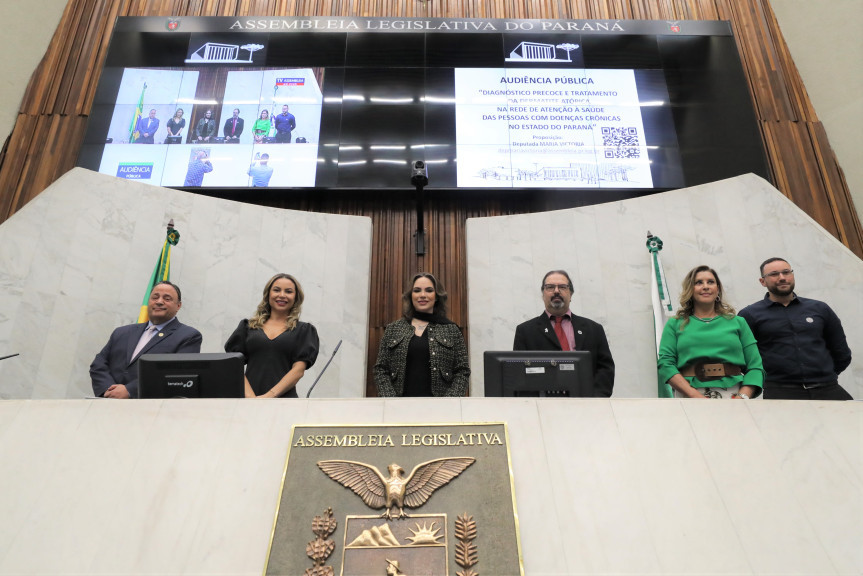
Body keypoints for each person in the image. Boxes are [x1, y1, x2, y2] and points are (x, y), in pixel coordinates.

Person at [739, 257, 853, 400]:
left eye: (786, 272)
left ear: (792, 275)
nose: (782, 278)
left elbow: (841, 352)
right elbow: (744, 358)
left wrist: (825, 375)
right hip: (781, 393)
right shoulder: (749, 315)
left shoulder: (820, 309)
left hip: (828, 389)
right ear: (762, 281)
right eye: (774, 274)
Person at [658, 265, 764, 399]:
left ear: (718, 289)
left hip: (734, 396)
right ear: (690, 289)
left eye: (711, 282)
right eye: (698, 283)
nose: (705, 286)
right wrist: (695, 396)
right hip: (689, 395)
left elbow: (755, 366)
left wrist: (741, 397)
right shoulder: (675, 323)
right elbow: (665, 364)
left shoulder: (738, 322)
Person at [90, 282, 202, 399]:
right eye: (155, 297)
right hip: (107, 405)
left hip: (147, 408)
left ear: (178, 306)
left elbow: (176, 374)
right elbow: (98, 365)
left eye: (167, 298)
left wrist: (130, 391)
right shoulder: (121, 332)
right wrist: (109, 390)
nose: (159, 301)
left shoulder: (188, 336)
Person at [513, 270, 615, 397]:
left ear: (570, 294)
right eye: (550, 287)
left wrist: (595, 399)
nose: (556, 291)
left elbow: (605, 368)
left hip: (587, 404)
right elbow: (519, 373)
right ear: (543, 294)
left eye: (562, 287)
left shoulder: (594, 329)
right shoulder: (525, 331)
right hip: (544, 406)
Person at [374, 273, 469, 397]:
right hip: (399, 410)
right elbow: (381, 369)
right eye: (417, 291)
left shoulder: (451, 329)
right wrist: (391, 400)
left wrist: (449, 402)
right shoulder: (393, 329)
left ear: (436, 296)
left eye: (429, 290)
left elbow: (462, 371)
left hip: (440, 411)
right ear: (411, 296)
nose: (422, 295)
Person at [225, 273, 319, 398]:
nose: (282, 295)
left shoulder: (304, 330)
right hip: (247, 402)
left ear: (296, 297)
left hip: (285, 403)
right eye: (276, 290)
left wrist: (269, 396)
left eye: (288, 291)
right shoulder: (248, 327)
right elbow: (233, 365)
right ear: (268, 294)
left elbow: (298, 370)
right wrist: (251, 398)